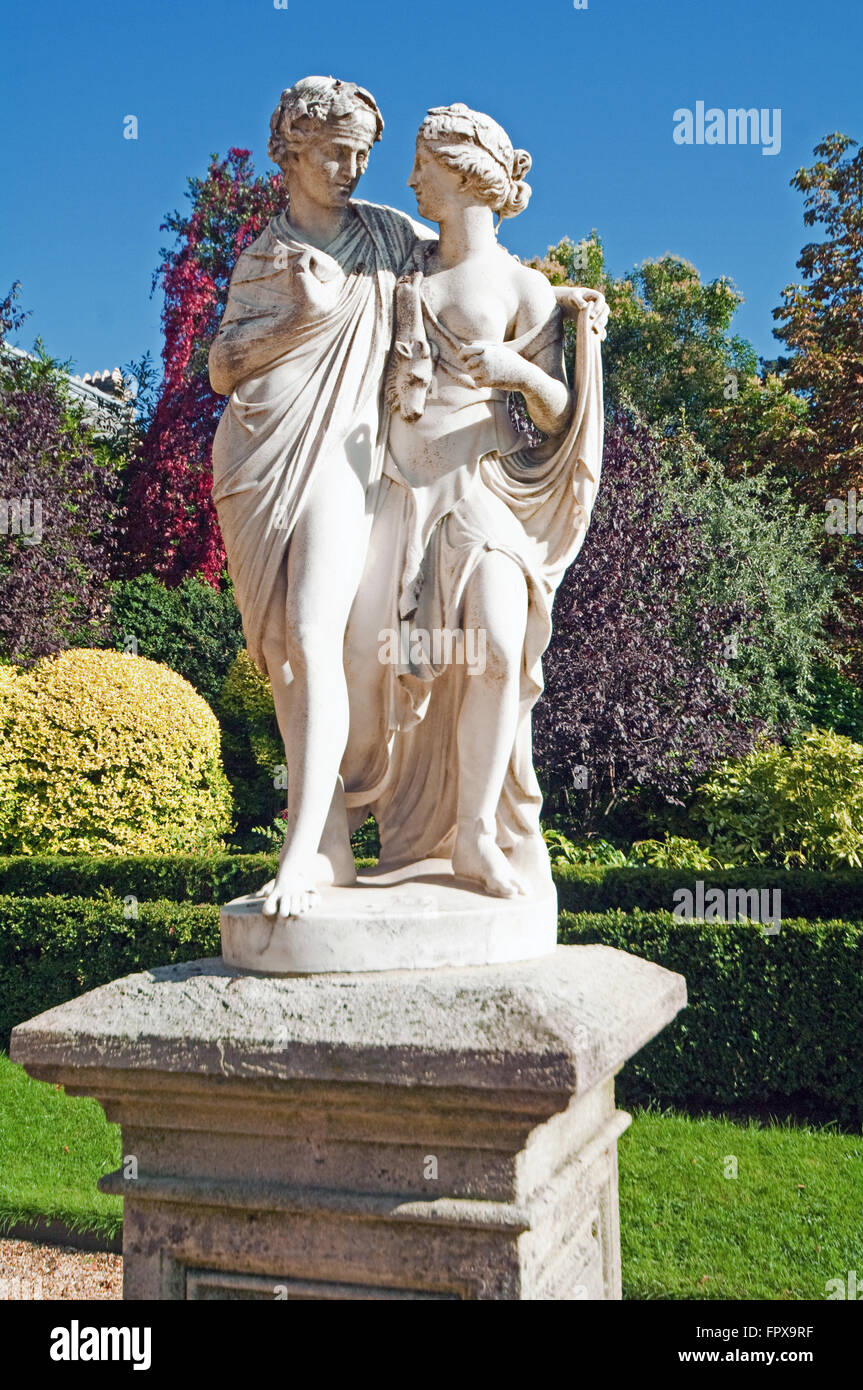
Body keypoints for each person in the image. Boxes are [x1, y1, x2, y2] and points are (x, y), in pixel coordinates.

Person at [342, 103, 608, 898]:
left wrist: (518, 371)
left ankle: (476, 837)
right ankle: (399, 829)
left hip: (486, 485)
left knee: (496, 643)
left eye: (423, 162)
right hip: (399, 490)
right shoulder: (397, 270)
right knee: (381, 673)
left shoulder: (524, 287)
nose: (412, 176)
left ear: (461, 171)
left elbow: (559, 408)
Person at [209, 76, 428, 917]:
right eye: (334, 150)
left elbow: (472, 271)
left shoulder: (390, 239)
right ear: (290, 150)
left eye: (363, 153)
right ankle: (328, 844)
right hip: (257, 456)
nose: (351, 166)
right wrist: (304, 316)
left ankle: (302, 849)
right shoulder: (266, 252)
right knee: (287, 652)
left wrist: (554, 303)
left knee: (312, 631)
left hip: (345, 455)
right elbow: (223, 368)